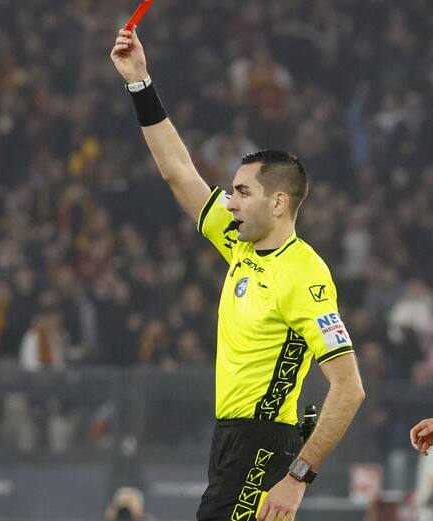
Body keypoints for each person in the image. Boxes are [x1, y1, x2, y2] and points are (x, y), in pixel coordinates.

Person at [110, 30, 365, 521]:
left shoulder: (305, 275)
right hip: (231, 437)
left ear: (278, 202)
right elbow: (178, 171)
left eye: (242, 192)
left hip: (263, 444)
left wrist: (297, 479)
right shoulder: (238, 242)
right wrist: (140, 83)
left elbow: (349, 387)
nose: (229, 201)